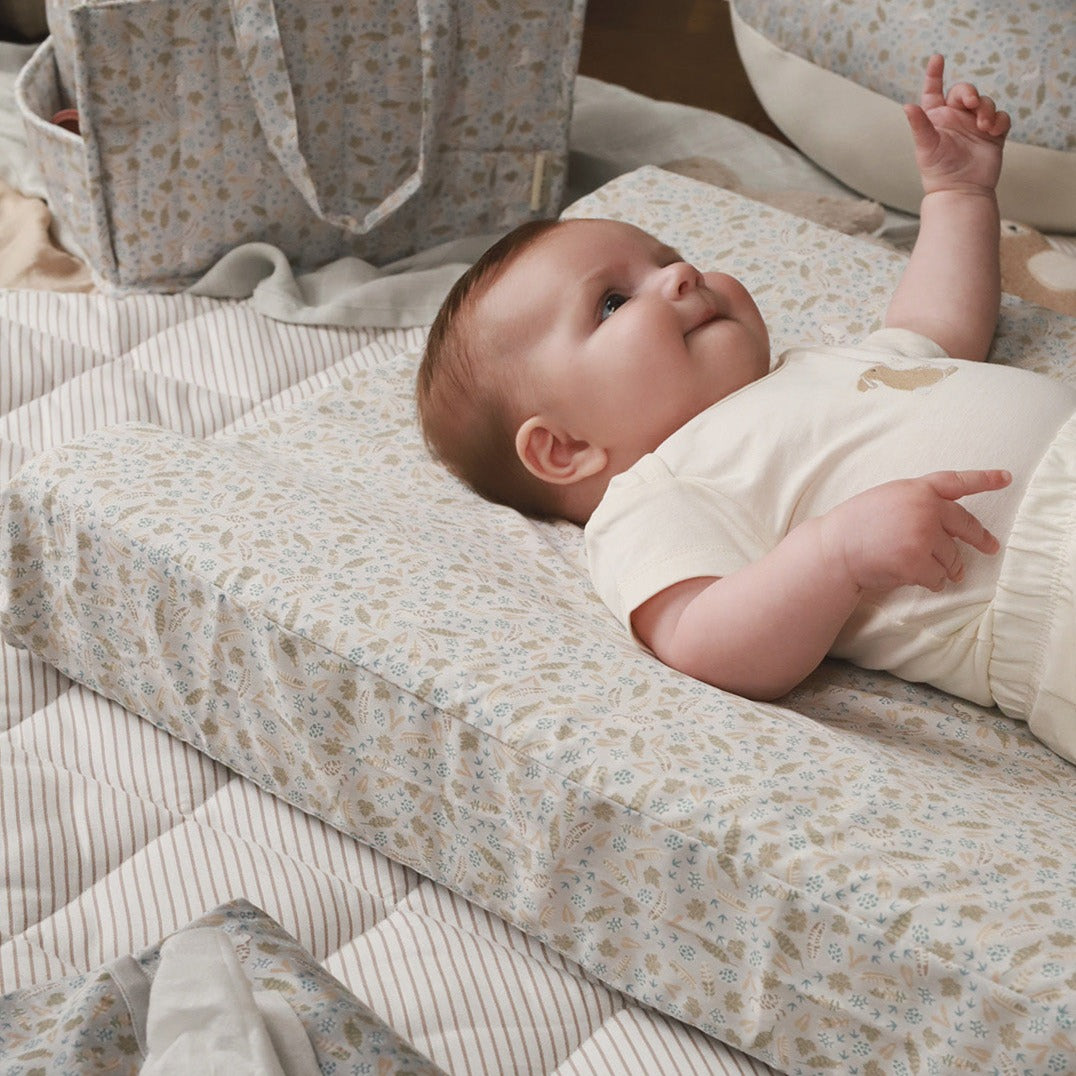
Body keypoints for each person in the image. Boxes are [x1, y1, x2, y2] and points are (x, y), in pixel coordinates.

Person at [417, 55, 1076, 765]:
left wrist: (958, 195)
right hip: (1048, 591)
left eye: (667, 257)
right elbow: (703, 637)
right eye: (612, 302)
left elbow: (938, 328)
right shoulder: (654, 495)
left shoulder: (812, 369)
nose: (678, 274)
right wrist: (836, 553)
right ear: (565, 449)